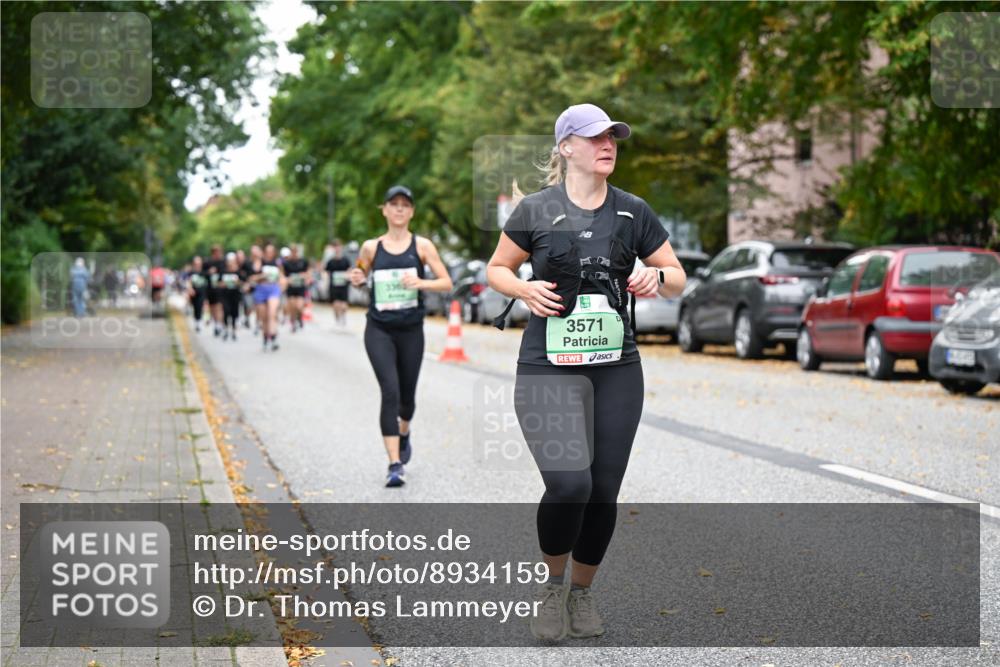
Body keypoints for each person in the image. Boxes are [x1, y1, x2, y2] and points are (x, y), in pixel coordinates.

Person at [485, 103, 686, 640]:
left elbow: (677, 274)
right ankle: (552, 588)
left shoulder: (632, 211)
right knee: (569, 482)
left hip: (616, 367)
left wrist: (655, 275)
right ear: (566, 147)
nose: (608, 145)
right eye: (595, 137)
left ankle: (582, 594)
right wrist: (524, 287)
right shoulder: (534, 209)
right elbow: (497, 269)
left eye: (613, 137)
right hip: (547, 365)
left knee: (601, 489)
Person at [349, 185, 452, 487]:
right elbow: (360, 274)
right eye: (393, 204)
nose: (398, 209)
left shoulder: (422, 247)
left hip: (410, 330)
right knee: (390, 392)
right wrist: (357, 278)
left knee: (407, 398)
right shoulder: (371, 247)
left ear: (411, 212)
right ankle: (394, 464)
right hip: (379, 328)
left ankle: (404, 431)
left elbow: (446, 282)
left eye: (404, 205)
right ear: (384, 209)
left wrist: (421, 282)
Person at [251, 243, 283, 351]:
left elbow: (282, 277)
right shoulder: (260, 262)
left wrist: (282, 284)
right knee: (264, 317)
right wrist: (262, 275)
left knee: (272, 314)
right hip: (261, 289)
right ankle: (265, 338)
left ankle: (273, 338)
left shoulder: (277, 263)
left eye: (271, 251)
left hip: (273, 289)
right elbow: (252, 277)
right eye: (267, 251)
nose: (269, 253)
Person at [282, 244, 311, 332]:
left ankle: (299, 318)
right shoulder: (286, 263)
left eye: (295, 252)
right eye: (292, 252)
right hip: (291, 287)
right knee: (292, 306)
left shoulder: (303, 262)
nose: (294, 253)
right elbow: (282, 275)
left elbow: (309, 272)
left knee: (299, 306)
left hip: (300, 287)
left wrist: (305, 276)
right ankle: (293, 323)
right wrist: (286, 280)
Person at [325, 239, 351, 326]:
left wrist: (347, 276)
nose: (337, 249)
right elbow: (326, 273)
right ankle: (337, 316)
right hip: (334, 285)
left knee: (344, 305)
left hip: (344, 285)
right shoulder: (330, 261)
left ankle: (343, 315)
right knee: (336, 304)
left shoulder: (346, 260)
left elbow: (349, 270)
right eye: (335, 247)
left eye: (338, 247)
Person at [219, 252, 244, 341]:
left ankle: (233, 330)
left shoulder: (238, 271)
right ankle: (225, 329)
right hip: (225, 295)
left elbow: (242, 283)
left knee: (234, 313)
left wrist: (237, 282)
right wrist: (224, 284)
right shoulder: (223, 271)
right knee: (226, 311)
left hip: (235, 295)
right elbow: (219, 283)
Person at [204, 245, 225, 337]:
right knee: (212, 306)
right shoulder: (208, 263)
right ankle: (216, 323)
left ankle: (219, 324)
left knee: (219, 306)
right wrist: (209, 272)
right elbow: (202, 274)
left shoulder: (223, 263)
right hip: (210, 288)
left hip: (220, 288)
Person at [187, 256, 208, 332]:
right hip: (194, 293)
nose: (198, 264)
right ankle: (197, 322)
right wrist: (190, 289)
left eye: (199, 263)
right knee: (196, 307)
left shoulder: (204, 272)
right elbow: (188, 281)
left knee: (200, 306)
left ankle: (200, 322)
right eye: (196, 263)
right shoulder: (191, 272)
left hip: (202, 292)